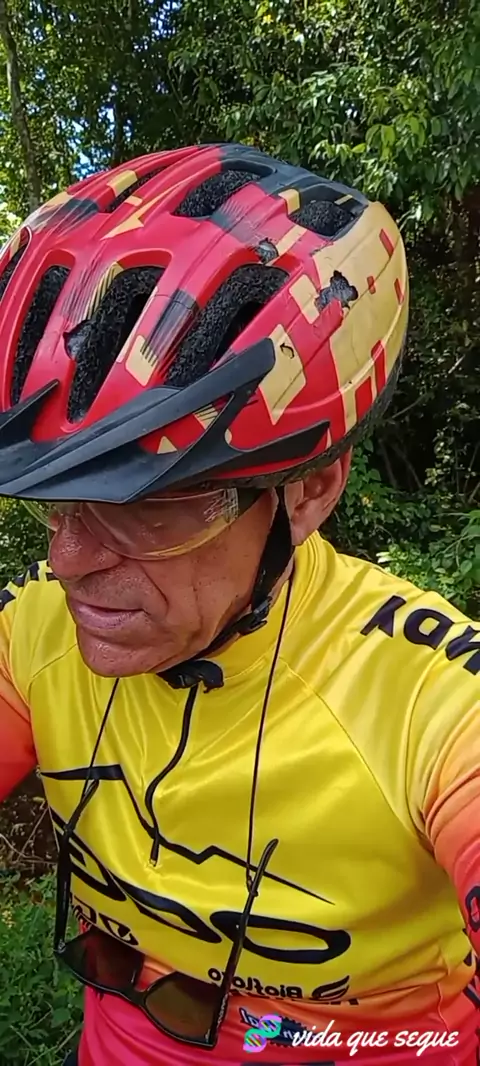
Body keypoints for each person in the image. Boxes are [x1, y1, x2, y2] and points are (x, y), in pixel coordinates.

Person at [0, 141, 478, 1066]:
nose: (67, 561)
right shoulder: (37, 634)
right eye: (53, 502)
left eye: (148, 506)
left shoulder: (424, 702)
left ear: (310, 489)